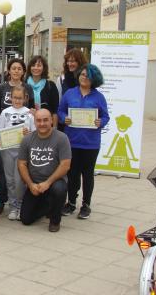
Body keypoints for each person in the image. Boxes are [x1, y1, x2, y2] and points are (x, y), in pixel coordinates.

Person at [58, 64, 109, 219]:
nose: (84, 77)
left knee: (87, 175)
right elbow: (60, 110)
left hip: (90, 142)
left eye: (88, 75)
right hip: (72, 141)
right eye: (82, 74)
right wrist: (63, 118)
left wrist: (101, 122)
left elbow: (106, 116)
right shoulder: (69, 93)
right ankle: (71, 202)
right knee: (72, 174)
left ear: (94, 79)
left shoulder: (99, 97)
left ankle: (86, 205)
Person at [18, 109, 71, 232]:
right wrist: (31, 185)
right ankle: (48, 206)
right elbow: (21, 164)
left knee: (59, 189)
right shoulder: (27, 139)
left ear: (52, 120)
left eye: (45, 120)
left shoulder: (62, 138)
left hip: (54, 182)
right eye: (39, 120)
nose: (42, 123)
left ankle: (55, 220)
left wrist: (47, 183)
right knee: (25, 219)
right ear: (35, 122)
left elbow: (65, 165)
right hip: (35, 184)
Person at [0, 85, 36, 221]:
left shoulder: (30, 114)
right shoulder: (5, 112)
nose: (17, 100)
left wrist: (29, 133)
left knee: (20, 180)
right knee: (10, 179)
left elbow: (35, 134)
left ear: (25, 98)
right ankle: (13, 206)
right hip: (8, 150)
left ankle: (20, 205)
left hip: (22, 151)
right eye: (15, 98)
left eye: (20, 98)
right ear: (10, 98)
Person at [25, 56, 59, 126]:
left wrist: (54, 128)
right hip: (27, 125)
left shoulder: (51, 85)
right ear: (29, 68)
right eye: (33, 65)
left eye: (39, 65)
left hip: (45, 124)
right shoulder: (23, 85)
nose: (36, 68)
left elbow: (55, 110)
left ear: (44, 68)